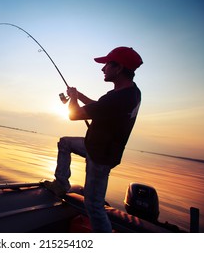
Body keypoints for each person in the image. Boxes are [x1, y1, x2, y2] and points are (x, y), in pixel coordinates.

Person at [44, 46, 143, 232]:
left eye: (106, 64)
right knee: (65, 142)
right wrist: (79, 95)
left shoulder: (120, 97)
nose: (103, 68)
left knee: (94, 206)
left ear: (119, 68)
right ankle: (62, 183)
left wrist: (73, 99)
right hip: (95, 146)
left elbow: (74, 115)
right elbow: (100, 108)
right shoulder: (130, 93)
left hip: (101, 156)